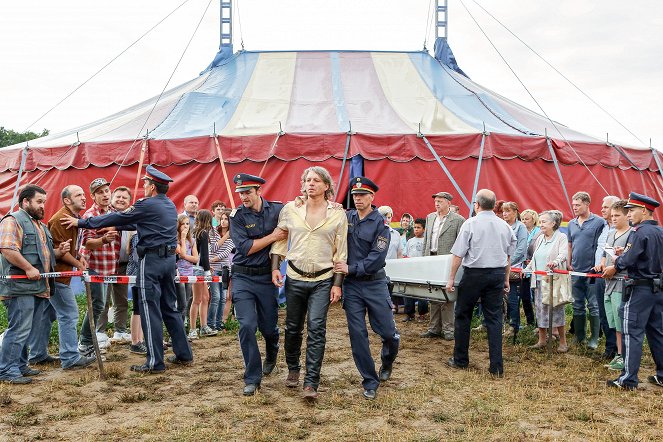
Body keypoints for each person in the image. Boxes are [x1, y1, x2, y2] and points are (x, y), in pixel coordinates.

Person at [62, 165, 193, 373]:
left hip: (150, 261)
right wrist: (117, 226)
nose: (143, 186)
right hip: (168, 261)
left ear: (151, 187)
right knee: (170, 308)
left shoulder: (146, 203)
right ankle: (184, 353)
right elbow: (139, 223)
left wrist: (81, 222)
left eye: (145, 183)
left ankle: (155, 362)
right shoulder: (168, 205)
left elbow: (121, 217)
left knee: (149, 311)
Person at [271, 166, 348, 400]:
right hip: (294, 277)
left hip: (323, 280)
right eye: (307, 180)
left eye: (316, 180)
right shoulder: (291, 209)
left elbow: (340, 252)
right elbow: (280, 240)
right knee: (293, 327)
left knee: (316, 328)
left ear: (327, 186)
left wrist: (337, 284)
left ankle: (311, 382)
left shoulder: (337, 214)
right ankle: (293, 368)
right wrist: (275, 267)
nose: (310, 183)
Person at [334, 176, 400, 400]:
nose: (358, 199)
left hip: (374, 284)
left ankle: (387, 360)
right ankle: (369, 380)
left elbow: (375, 259)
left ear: (372, 197)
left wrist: (350, 268)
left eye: (362, 195)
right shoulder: (345, 217)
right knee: (357, 334)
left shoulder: (381, 225)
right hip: (352, 287)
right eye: (355, 195)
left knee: (388, 333)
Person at [0, 185, 71, 384]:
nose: (43, 206)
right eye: (39, 202)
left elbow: (44, 255)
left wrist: (59, 252)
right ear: (25, 202)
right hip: (20, 287)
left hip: (37, 287)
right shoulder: (13, 220)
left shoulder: (39, 225)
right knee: (19, 328)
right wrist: (28, 268)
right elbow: (7, 249)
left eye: (44, 202)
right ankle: (6, 370)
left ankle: (20, 365)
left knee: (27, 328)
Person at [445, 189, 516, 377]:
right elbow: (508, 257)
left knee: (463, 315)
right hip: (497, 274)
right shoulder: (505, 226)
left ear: (476, 205)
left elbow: (458, 254)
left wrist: (451, 278)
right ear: (494, 206)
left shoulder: (471, 223)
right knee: (495, 319)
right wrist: (506, 278)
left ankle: (460, 360)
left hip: (474, 275)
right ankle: (496, 367)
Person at [229, 173, 287, 396]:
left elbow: (296, 213)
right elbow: (245, 247)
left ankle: (272, 352)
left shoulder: (277, 210)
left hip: (266, 278)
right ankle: (252, 376)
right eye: (241, 193)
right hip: (243, 277)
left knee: (268, 327)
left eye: (247, 192)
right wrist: (273, 236)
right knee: (246, 325)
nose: (243, 196)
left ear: (259, 191)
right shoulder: (237, 216)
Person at [604, 192, 663, 390]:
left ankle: (628, 379)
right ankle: (661, 375)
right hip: (657, 288)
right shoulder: (660, 232)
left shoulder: (639, 232)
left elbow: (628, 261)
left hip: (640, 289)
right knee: (656, 333)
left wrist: (616, 263)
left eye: (632, 210)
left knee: (632, 334)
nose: (629, 214)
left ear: (644, 211)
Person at [32, 185, 96, 370]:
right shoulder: (61, 218)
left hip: (57, 275)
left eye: (84, 194)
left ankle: (37, 354)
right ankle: (70, 357)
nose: (84, 198)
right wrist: (78, 264)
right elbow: (59, 251)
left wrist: (78, 257)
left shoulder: (74, 218)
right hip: (57, 276)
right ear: (67, 200)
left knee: (47, 314)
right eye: (79, 195)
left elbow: (69, 248)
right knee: (69, 314)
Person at [77, 177, 120, 358]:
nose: (105, 194)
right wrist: (103, 239)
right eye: (100, 192)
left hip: (109, 266)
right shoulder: (90, 215)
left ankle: (90, 341)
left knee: (102, 305)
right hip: (92, 265)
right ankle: (85, 343)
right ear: (93, 196)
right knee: (97, 304)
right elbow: (86, 243)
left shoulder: (114, 212)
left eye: (107, 191)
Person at [422, 191, 465, 340]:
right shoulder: (430, 217)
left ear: (448, 203)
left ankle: (448, 330)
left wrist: (458, 263)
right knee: (432, 292)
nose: (437, 203)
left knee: (447, 294)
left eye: (440, 201)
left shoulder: (458, 220)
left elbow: (461, 244)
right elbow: (426, 240)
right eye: (436, 201)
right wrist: (423, 259)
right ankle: (434, 328)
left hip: (447, 260)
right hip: (431, 258)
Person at [525, 211, 569, 352]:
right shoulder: (540, 238)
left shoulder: (561, 237)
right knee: (540, 310)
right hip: (538, 280)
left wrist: (555, 262)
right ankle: (542, 340)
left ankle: (563, 343)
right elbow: (534, 258)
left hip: (553, 280)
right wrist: (527, 269)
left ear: (553, 223)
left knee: (556, 310)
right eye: (541, 221)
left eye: (544, 221)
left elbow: (563, 254)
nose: (541, 224)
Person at [567, 191, 606, 349]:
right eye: (573, 204)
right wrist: (569, 263)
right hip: (576, 270)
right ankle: (579, 336)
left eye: (578, 204)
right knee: (577, 304)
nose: (574, 207)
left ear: (587, 204)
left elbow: (602, 245)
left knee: (593, 304)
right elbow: (570, 244)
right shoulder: (571, 223)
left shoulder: (599, 222)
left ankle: (594, 338)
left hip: (592, 271)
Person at [97, 186, 134, 344]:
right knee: (102, 301)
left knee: (122, 300)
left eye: (124, 198)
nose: (121, 200)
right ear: (111, 198)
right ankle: (100, 333)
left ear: (129, 202)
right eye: (118, 196)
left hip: (123, 265)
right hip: (105, 265)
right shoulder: (106, 216)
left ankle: (120, 331)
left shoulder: (131, 218)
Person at [598, 200, 631, 371]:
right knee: (613, 322)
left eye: (617, 215)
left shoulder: (632, 233)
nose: (614, 219)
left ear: (627, 215)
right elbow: (605, 253)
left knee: (621, 321)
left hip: (622, 282)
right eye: (612, 216)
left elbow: (631, 258)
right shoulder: (611, 233)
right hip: (608, 282)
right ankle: (619, 354)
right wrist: (603, 263)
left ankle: (625, 355)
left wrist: (617, 263)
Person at [592, 195, 620, 360]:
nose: (602, 209)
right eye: (602, 206)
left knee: (615, 314)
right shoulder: (604, 228)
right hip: (599, 275)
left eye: (606, 206)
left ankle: (619, 351)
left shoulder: (623, 230)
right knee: (604, 313)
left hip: (615, 278)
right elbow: (601, 251)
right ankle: (610, 349)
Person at [502, 202, 529, 336]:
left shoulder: (521, 227)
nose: (505, 213)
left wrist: (507, 262)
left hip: (514, 267)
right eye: (503, 211)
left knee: (512, 297)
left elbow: (521, 249)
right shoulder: (501, 225)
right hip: (500, 265)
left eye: (508, 211)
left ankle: (514, 325)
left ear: (515, 212)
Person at [189, 210, 217, 338]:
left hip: (200, 267)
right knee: (197, 299)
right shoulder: (203, 233)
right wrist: (206, 271)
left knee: (205, 298)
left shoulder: (197, 231)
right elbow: (204, 255)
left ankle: (204, 326)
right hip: (199, 269)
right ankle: (193, 329)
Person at [211, 210, 234, 330]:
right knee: (215, 297)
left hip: (225, 268)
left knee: (224, 297)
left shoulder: (234, 234)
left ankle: (219, 323)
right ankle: (211, 323)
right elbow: (214, 247)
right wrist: (225, 236)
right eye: (222, 219)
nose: (223, 221)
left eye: (226, 219)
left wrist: (215, 258)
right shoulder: (214, 231)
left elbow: (227, 252)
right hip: (214, 268)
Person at [402, 218, 429, 322]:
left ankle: (422, 314)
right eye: (415, 227)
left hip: (422, 269)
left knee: (422, 292)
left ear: (424, 229)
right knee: (408, 291)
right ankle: (410, 313)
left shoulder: (426, 241)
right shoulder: (410, 241)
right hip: (410, 269)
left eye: (418, 227)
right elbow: (406, 254)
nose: (416, 229)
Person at [175, 214, 197, 326]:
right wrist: (183, 239)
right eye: (183, 224)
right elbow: (182, 253)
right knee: (181, 304)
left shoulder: (192, 240)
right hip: (179, 273)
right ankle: (177, 330)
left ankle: (182, 329)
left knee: (187, 302)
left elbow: (196, 258)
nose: (185, 226)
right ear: (178, 225)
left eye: (187, 224)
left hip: (189, 273)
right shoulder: (175, 239)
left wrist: (185, 257)